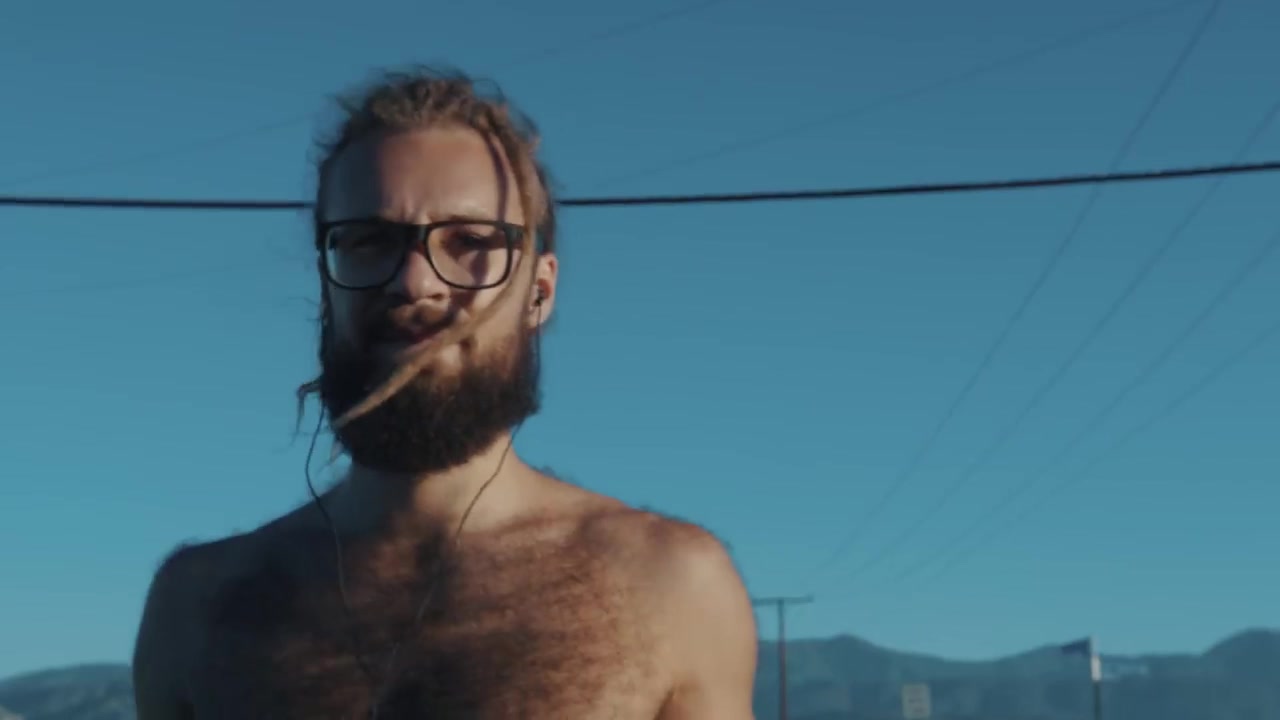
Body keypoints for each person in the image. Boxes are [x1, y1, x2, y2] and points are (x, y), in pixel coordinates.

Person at [131, 67, 758, 719]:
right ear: (325, 282)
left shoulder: (671, 588)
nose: (414, 283)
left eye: (470, 242)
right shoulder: (195, 607)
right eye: (368, 241)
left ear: (540, 291)